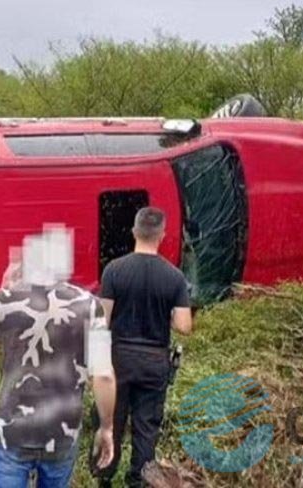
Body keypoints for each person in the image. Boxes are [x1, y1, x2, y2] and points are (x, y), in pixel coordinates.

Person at [0, 229, 116, 488]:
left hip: (9, 432)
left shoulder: (3, 301)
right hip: (62, 433)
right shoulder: (90, 306)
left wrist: (3, 289)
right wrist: (106, 428)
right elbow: (103, 375)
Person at [97, 207, 193, 487]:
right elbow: (184, 325)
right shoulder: (174, 276)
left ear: (134, 232)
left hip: (119, 359)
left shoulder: (114, 270)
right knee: (146, 428)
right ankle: (138, 481)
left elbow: (103, 318)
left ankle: (104, 477)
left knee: (112, 422)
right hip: (154, 361)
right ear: (162, 235)